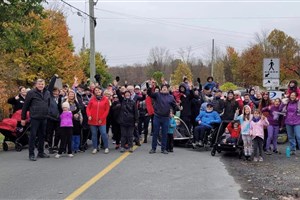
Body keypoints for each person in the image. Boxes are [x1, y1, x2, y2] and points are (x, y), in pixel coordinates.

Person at [21, 79, 50, 161]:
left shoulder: (47, 92)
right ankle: (31, 154)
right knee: (33, 136)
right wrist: (23, 118)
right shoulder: (31, 93)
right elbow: (25, 106)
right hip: (34, 118)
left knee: (42, 136)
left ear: (44, 84)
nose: (41, 85)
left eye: (42, 84)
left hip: (44, 117)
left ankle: (41, 152)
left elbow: (48, 104)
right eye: (39, 84)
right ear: (36, 85)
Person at [147, 82, 178, 154]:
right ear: (161, 89)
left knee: (165, 134)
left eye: (165, 88)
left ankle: (163, 149)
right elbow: (150, 94)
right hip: (157, 116)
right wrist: (150, 87)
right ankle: (153, 148)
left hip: (166, 118)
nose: (164, 88)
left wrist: (177, 110)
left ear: (167, 89)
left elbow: (174, 106)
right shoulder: (157, 95)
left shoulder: (171, 97)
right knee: (155, 133)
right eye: (163, 88)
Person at [86, 86, 110, 154]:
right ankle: (95, 147)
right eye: (96, 90)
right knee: (94, 134)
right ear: (94, 92)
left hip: (102, 121)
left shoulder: (105, 99)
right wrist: (89, 115)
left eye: (99, 90)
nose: (97, 91)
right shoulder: (92, 99)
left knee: (103, 133)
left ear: (101, 91)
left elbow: (107, 110)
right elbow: (88, 108)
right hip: (92, 120)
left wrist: (102, 118)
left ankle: (106, 147)